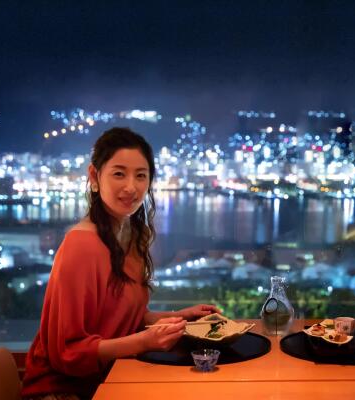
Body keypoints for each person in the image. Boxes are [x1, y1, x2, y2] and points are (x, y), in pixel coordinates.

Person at [21, 127, 220, 400]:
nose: (131, 187)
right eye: (119, 173)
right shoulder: (82, 246)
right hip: (62, 391)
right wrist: (144, 342)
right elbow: (68, 352)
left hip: (109, 378)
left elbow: (123, 321)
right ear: (94, 176)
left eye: (141, 176)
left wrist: (181, 317)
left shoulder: (130, 238)